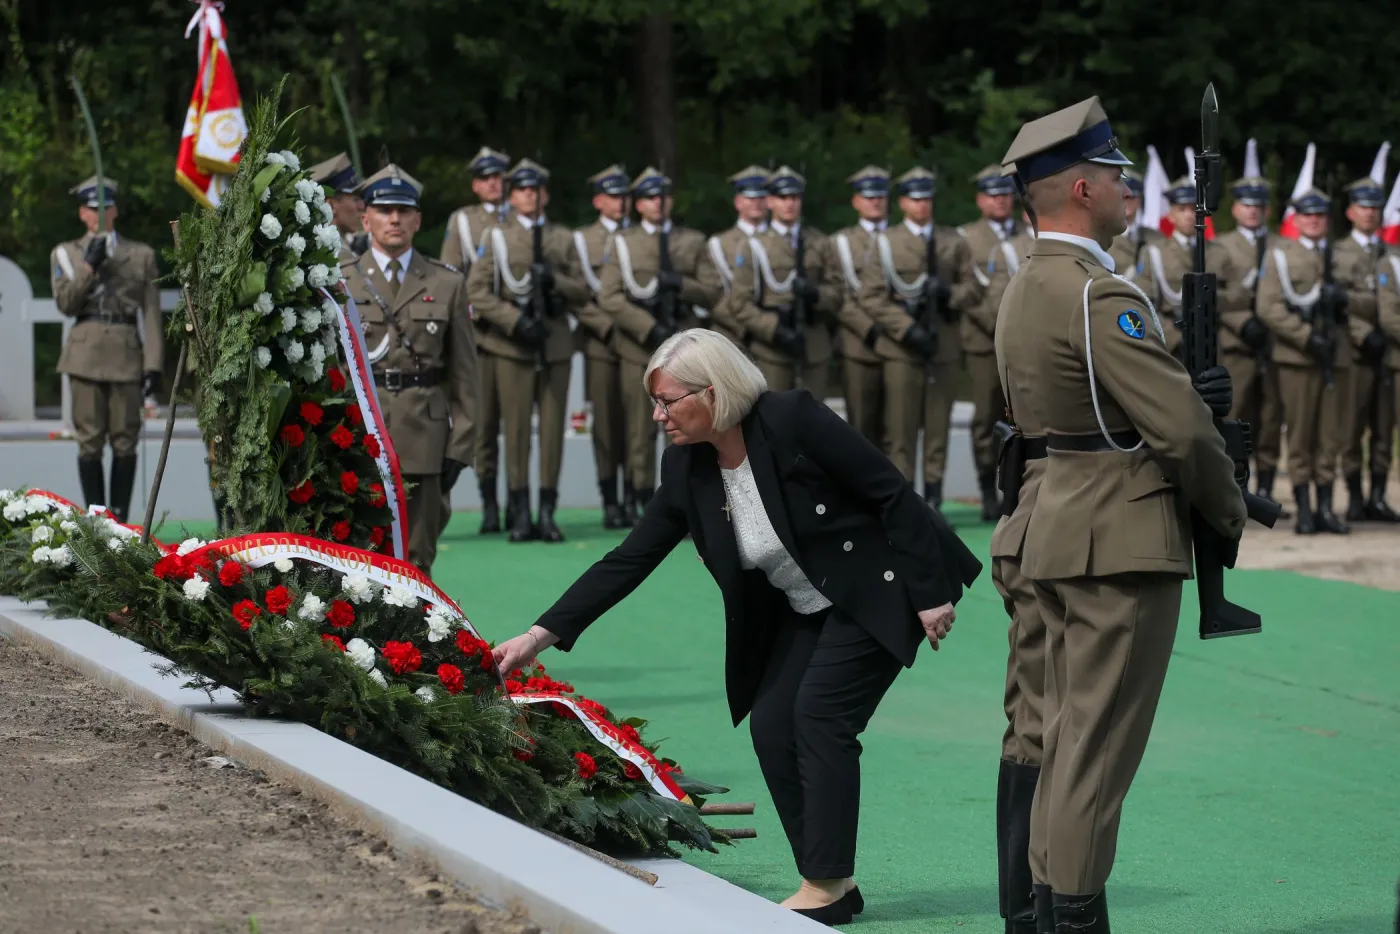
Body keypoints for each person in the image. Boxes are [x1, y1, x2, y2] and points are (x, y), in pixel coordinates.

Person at [491, 328, 982, 925]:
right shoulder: (687, 465)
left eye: (667, 401)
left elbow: (891, 493)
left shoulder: (792, 418)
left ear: (713, 391)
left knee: (820, 716)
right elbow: (629, 558)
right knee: (773, 724)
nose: (657, 415)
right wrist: (538, 635)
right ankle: (834, 882)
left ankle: (824, 886)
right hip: (805, 605)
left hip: (879, 588)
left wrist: (929, 595)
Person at [997, 97, 1246, 930]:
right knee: (1094, 756)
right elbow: (1180, 432)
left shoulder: (1026, 284)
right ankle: (1069, 917)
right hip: (1116, 540)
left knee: (1060, 740)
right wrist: (1227, 508)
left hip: (1054, 525)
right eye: (1114, 175)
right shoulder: (1100, 295)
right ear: (1080, 189)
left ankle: (1038, 911)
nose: (1126, 188)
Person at [339, 164, 480, 573]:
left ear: (417, 220)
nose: (394, 219)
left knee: (417, 561)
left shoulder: (446, 283)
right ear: (366, 219)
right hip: (360, 436)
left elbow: (466, 376)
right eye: (384, 210)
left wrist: (460, 447)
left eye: (403, 210)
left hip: (425, 438)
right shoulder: (341, 281)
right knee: (358, 560)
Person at [466, 159, 588, 543]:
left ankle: (547, 511)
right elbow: (476, 290)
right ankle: (519, 511)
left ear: (545, 195)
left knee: (552, 432)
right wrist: (514, 321)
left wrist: (556, 282)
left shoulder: (563, 238)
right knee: (516, 431)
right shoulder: (497, 237)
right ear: (512, 195)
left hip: (554, 343)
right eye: (522, 189)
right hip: (512, 344)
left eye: (536, 189)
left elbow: (584, 288)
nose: (530, 195)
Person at [858, 166, 984, 518]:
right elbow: (870, 296)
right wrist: (906, 328)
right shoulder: (886, 243)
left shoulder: (953, 241)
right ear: (902, 203)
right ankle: (905, 506)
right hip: (902, 350)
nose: (922, 205)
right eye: (915, 199)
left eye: (927, 198)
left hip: (943, 347)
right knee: (901, 432)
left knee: (938, 429)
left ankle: (933, 503)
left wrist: (947, 294)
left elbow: (974, 289)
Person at [597, 167, 718, 513]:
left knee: (690, 424)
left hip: (685, 350)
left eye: (663, 196)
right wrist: (647, 327)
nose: (658, 203)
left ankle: (690, 497)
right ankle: (644, 500)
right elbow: (609, 296)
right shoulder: (623, 242)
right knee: (641, 429)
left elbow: (713, 291)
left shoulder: (691, 241)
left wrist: (681, 285)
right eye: (650, 197)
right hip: (639, 347)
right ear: (638, 204)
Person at [51, 175, 164, 522]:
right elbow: (66, 305)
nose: (99, 214)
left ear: (115, 211)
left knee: (126, 441)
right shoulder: (66, 253)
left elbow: (151, 313)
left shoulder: (140, 254)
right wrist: (88, 267)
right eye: (92, 208)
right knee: (89, 442)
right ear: (81, 213)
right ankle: (97, 521)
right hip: (84, 354)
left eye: (106, 207)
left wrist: (154, 364)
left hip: (126, 353)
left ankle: (121, 522)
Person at [1257, 188, 1352, 534]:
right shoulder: (1281, 255)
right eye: (1307, 215)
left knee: (1330, 435)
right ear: (1296, 219)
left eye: (1320, 215)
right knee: (1299, 435)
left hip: (1336, 356)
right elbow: (1268, 306)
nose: (1314, 220)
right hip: (1297, 357)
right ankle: (1304, 509)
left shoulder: (1339, 255)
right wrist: (1306, 336)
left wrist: (1344, 302)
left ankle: (1325, 507)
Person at [441, 146, 511, 535]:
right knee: (483, 425)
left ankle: (518, 502)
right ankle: (490, 504)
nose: (493, 183)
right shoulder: (464, 221)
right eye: (486, 178)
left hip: (514, 333)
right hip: (479, 333)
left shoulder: (518, 218)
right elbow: (451, 274)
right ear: (475, 185)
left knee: (516, 427)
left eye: (498, 177)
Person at [726, 166, 841, 400]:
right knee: (775, 416)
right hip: (772, 349)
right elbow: (739, 303)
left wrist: (816, 294)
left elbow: (838, 293)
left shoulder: (820, 242)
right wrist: (775, 330)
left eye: (795, 197)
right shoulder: (754, 245)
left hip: (813, 345)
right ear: (769, 201)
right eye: (782, 197)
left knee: (813, 417)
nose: (789, 203)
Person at [958, 165, 1026, 520]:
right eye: (992, 195)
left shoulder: (1028, 233)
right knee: (985, 416)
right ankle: (987, 489)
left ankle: (1014, 488)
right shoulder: (966, 238)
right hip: (983, 340)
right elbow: (966, 294)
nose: (1000, 201)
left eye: (1005, 195)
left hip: (1023, 340)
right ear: (980, 200)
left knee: (1022, 415)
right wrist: (997, 324)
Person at [1216, 175, 1287, 512]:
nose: (1253, 211)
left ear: (1267, 210)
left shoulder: (1281, 246)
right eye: (1247, 205)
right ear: (1235, 209)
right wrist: (1242, 322)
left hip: (1274, 345)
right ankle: (1233, 488)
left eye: (1259, 205)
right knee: (1236, 417)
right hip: (1238, 346)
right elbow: (1215, 294)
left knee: (1271, 417)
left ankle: (1267, 487)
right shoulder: (1221, 247)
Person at [573, 164, 636, 529]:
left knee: (637, 424)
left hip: (638, 343)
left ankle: (635, 495)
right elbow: (578, 296)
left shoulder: (641, 237)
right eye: (613, 196)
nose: (620, 202)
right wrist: (607, 327)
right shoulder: (583, 241)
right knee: (607, 424)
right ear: (598, 201)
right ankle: (610, 499)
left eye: (625, 195)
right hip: (602, 343)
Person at [1334, 178, 1400, 522]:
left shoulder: (1391, 254)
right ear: (1350, 212)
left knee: (1384, 427)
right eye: (1363, 207)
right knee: (1351, 427)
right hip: (1355, 351)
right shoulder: (1338, 253)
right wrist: (1363, 333)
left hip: (1389, 352)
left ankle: (1378, 495)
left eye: (1375, 208)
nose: (1370, 213)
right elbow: (1339, 305)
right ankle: (1355, 497)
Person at [1144, 175, 1248, 361]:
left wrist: (1210, 298)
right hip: (1172, 346)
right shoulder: (1154, 253)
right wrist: (1174, 337)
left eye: (1194, 209)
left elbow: (1239, 296)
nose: (1189, 215)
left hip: (1212, 342)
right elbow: (1145, 303)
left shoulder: (1218, 252)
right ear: (1171, 215)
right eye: (1182, 209)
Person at [830, 166, 891, 448]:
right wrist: (868, 327)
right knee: (860, 428)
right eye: (868, 197)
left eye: (880, 196)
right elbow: (838, 295)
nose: (875, 202)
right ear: (856, 201)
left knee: (896, 429)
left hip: (898, 342)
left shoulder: (900, 238)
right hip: (858, 344)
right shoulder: (840, 242)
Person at [1107, 169, 1162, 288]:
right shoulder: (1103, 235)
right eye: (1123, 197)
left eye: (1132, 197)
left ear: (1139, 200)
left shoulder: (1155, 237)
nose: (1127, 202)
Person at [307, 153, 366, 261]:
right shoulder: (334, 255)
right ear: (331, 205)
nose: (362, 206)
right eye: (356, 199)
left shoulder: (343, 247)